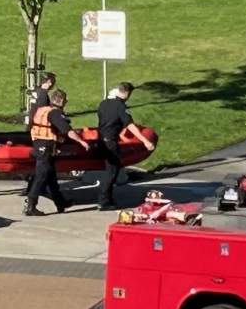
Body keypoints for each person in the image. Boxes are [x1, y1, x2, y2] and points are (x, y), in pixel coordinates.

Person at [24, 89, 90, 216]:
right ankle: (30, 205)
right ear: (60, 100)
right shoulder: (54, 113)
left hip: (39, 144)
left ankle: (60, 203)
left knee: (50, 176)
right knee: (41, 176)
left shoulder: (42, 110)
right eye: (65, 100)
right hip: (45, 147)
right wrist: (82, 142)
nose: (66, 102)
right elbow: (67, 130)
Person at [96, 82, 154, 211]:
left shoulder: (103, 103)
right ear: (127, 93)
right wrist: (145, 141)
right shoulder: (120, 107)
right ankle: (103, 201)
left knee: (109, 170)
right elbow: (130, 125)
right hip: (111, 142)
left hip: (100, 139)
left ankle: (108, 199)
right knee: (111, 172)